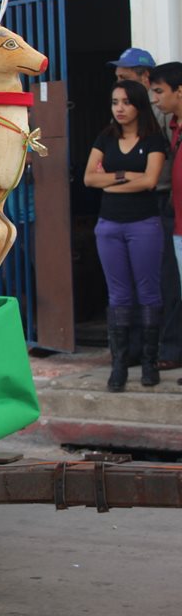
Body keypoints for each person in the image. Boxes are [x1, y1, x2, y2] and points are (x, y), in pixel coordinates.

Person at [84, 80, 168, 392]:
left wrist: (110, 182)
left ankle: (149, 362)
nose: (119, 108)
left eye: (125, 102)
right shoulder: (105, 138)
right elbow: (89, 178)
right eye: (114, 101)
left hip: (143, 223)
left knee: (148, 293)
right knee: (118, 296)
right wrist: (123, 176)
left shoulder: (154, 140)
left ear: (138, 106)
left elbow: (149, 182)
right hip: (109, 225)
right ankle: (118, 366)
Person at [111, 48, 182, 369]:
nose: (120, 87)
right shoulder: (123, 118)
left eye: (126, 78)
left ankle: (169, 349)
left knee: (167, 282)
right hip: (136, 206)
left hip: (164, 204)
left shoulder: (168, 115)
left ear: (145, 77)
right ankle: (139, 349)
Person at [148, 61, 182, 382]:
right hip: (177, 225)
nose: (155, 99)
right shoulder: (173, 127)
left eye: (159, 92)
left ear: (179, 91)